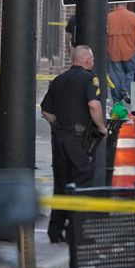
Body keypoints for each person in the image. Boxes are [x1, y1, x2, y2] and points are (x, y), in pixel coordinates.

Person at [40, 45, 109, 243]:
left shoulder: (59, 79)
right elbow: (93, 105)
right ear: (87, 60)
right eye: (92, 59)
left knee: (61, 183)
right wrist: (102, 127)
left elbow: (46, 111)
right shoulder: (89, 79)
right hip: (79, 140)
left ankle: (55, 231)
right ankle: (76, 232)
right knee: (81, 183)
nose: (93, 62)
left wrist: (60, 125)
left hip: (60, 138)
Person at [107, 3, 135, 102]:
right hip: (130, 51)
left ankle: (117, 101)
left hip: (113, 51)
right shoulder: (133, 17)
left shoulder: (109, 17)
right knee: (134, 70)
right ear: (126, 5)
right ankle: (126, 89)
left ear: (115, 5)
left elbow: (104, 36)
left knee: (116, 77)